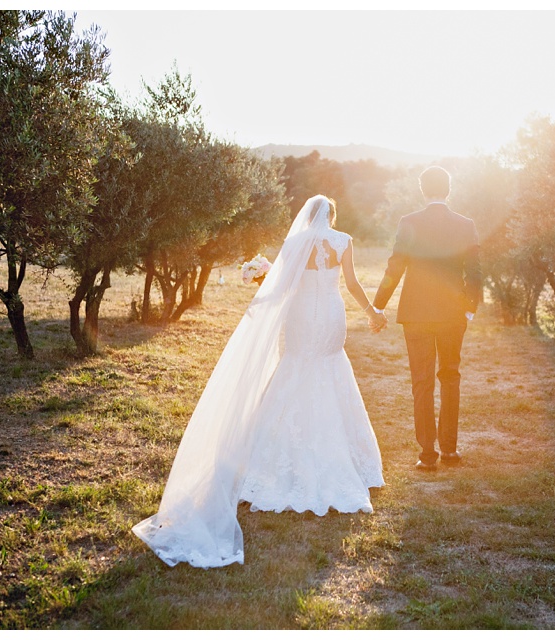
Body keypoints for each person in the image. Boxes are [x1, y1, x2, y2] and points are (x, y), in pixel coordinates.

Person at [133, 195, 385, 568]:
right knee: (330, 369)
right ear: (331, 216)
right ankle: (340, 457)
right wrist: (372, 311)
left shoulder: (296, 242)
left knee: (296, 367)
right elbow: (350, 283)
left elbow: (284, 286)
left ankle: (274, 460)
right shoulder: (343, 240)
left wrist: (262, 297)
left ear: (307, 216)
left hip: (301, 316)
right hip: (331, 315)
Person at [371, 166, 482, 471]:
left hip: (416, 314)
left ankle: (427, 454)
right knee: (450, 377)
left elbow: (395, 267)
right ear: (449, 189)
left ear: (423, 190)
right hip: (452, 313)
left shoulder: (409, 222)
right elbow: (475, 271)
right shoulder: (465, 224)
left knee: (421, 382)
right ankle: (449, 450)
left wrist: (378, 305)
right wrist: (470, 307)